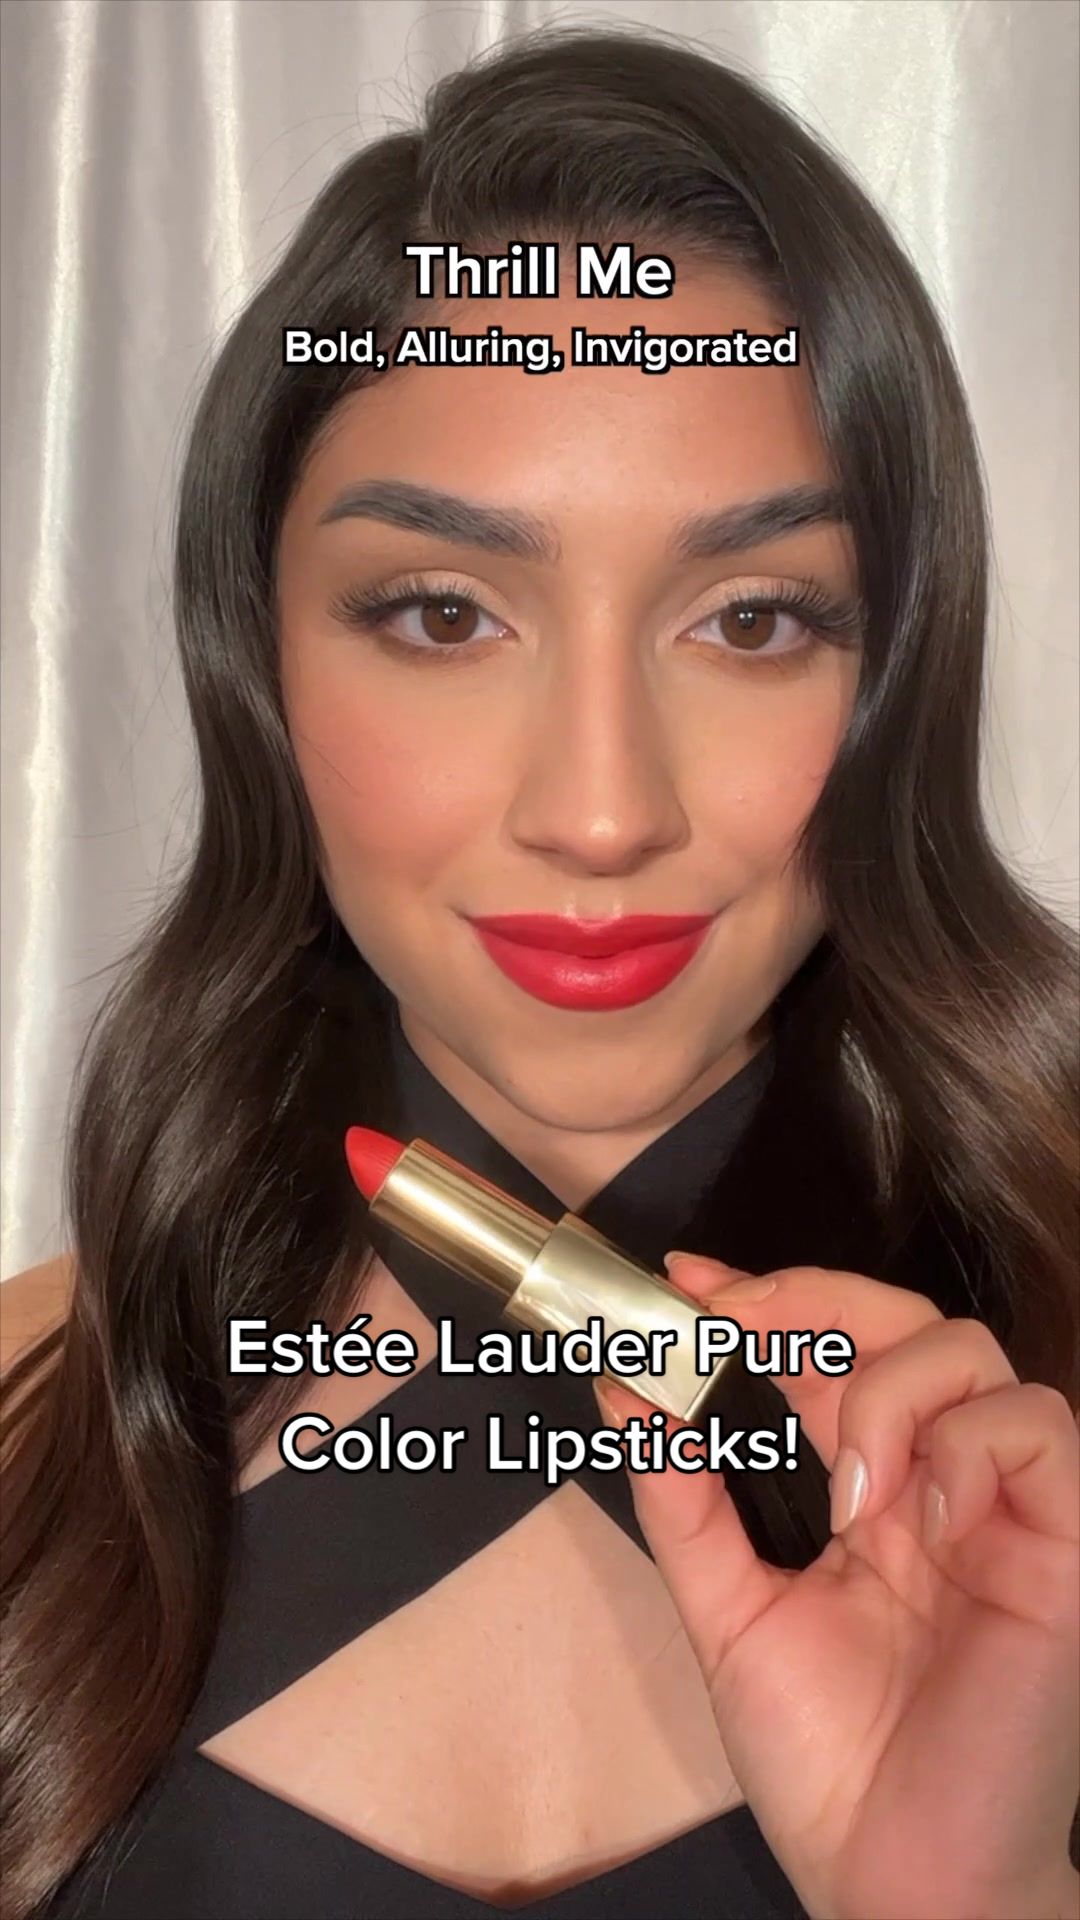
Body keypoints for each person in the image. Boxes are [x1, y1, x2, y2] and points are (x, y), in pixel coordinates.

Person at [2, 23, 1078, 1920]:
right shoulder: (32, 1419)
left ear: (902, 667)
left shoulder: (1040, 1472)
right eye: (442, 613)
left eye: (756, 619)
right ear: (258, 664)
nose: (600, 813)